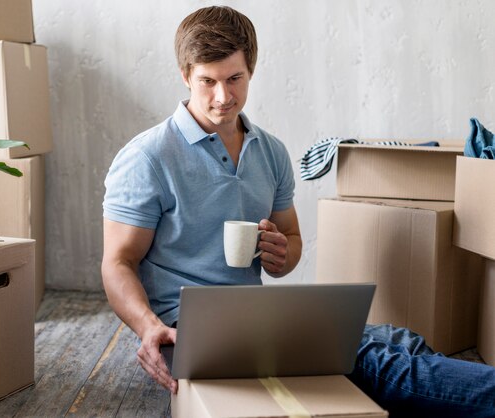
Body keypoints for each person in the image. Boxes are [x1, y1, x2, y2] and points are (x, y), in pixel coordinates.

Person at [101, 5, 495, 417]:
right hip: (184, 330)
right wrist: (149, 328)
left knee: (402, 340)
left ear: (251, 69)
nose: (223, 96)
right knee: (380, 363)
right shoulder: (147, 157)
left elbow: (289, 244)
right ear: (185, 75)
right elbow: (117, 263)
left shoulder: (269, 151)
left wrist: (281, 252)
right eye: (207, 81)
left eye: (235, 78)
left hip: (259, 318)